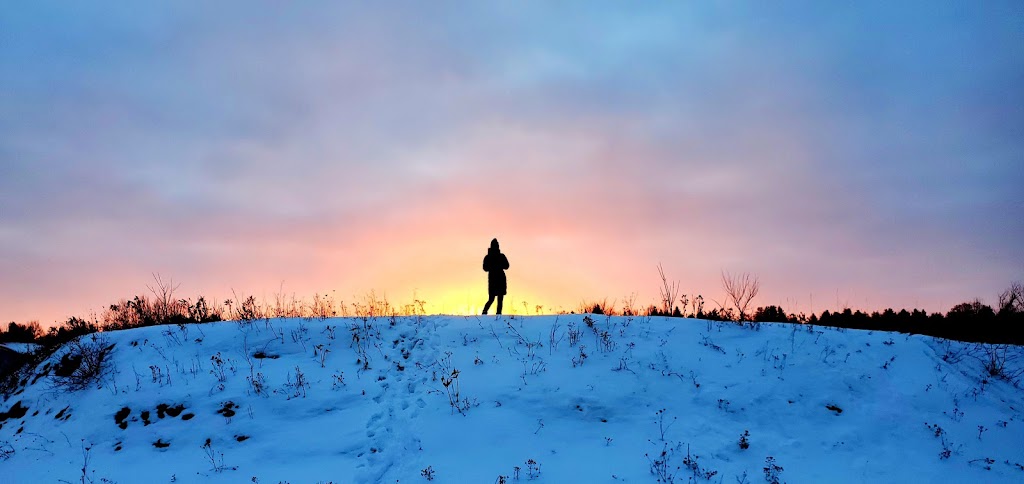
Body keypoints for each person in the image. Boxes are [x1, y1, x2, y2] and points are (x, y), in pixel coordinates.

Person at [482, 238, 510, 315]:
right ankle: (484, 312)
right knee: (492, 298)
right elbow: (485, 268)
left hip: (500, 279)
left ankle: (498, 314)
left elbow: (507, 266)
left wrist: (498, 266)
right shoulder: (488, 257)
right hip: (493, 280)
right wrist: (494, 266)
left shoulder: (501, 256)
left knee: (499, 298)